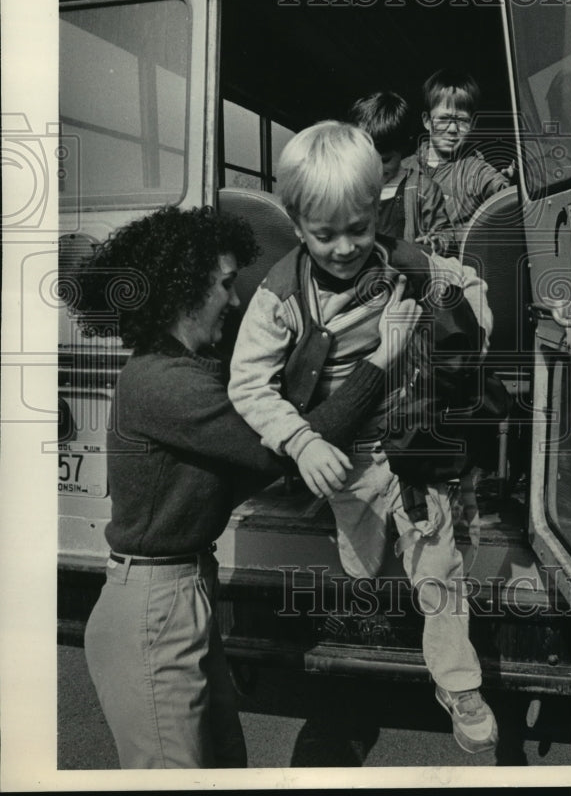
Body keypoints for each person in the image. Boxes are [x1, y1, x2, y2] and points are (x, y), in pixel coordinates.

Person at [65, 204, 419, 769]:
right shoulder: (163, 385)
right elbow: (281, 448)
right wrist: (381, 360)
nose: (235, 301)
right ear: (184, 290)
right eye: (227, 285)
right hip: (155, 605)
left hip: (187, 586)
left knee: (225, 765)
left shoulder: (186, 368)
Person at [229, 123, 499, 755]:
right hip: (336, 453)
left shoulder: (399, 262)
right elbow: (248, 387)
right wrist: (299, 441)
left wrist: (462, 317)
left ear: (378, 208)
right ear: (296, 225)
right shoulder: (278, 299)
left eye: (360, 228)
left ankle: (458, 682)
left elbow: (470, 288)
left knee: (437, 561)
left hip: (401, 446)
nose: (346, 248)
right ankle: (371, 541)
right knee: (362, 563)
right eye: (325, 235)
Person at [404, 68, 510, 232]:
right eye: (444, 119)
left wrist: (515, 181)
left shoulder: (474, 171)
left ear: (472, 125)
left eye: (461, 120)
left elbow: (504, 191)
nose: (453, 128)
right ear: (427, 121)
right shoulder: (403, 168)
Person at [348, 90, 454, 254]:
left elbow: (444, 232)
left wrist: (436, 242)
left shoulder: (423, 189)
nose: (376, 169)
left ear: (402, 150)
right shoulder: (348, 186)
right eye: (367, 159)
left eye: (385, 160)